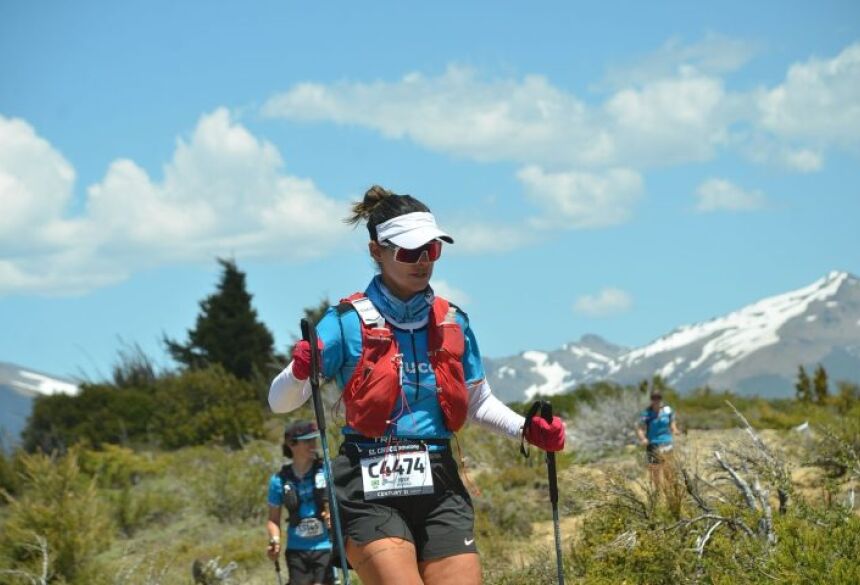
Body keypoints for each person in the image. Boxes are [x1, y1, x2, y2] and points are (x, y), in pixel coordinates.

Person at [269, 185, 565, 585]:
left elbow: (478, 401)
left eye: (432, 250)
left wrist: (526, 430)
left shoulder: (453, 322)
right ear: (377, 252)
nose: (423, 260)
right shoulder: (344, 322)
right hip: (366, 480)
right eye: (409, 251)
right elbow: (281, 402)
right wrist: (299, 370)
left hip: (439, 481)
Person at [266, 420, 335, 585]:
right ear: (291, 444)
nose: (313, 444)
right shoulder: (279, 480)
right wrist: (274, 540)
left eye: (314, 440)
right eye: (307, 441)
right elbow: (273, 520)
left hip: (326, 546)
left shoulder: (327, 471)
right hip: (296, 550)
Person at [636, 391, 680, 492]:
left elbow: (672, 421)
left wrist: (675, 429)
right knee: (655, 470)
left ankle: (671, 490)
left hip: (667, 442)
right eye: (654, 398)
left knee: (668, 468)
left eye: (658, 398)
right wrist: (643, 438)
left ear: (661, 399)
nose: (656, 400)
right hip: (653, 443)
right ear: (651, 400)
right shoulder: (647, 414)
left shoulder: (667, 410)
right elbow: (640, 428)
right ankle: (658, 492)